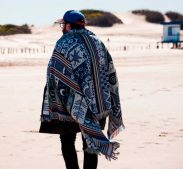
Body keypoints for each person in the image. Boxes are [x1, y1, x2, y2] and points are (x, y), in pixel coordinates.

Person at [39, 10, 125, 169]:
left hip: (68, 107)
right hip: (97, 105)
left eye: (63, 24)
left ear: (69, 26)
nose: (62, 27)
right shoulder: (98, 42)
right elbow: (110, 71)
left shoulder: (63, 43)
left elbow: (54, 74)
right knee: (91, 143)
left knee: (67, 141)